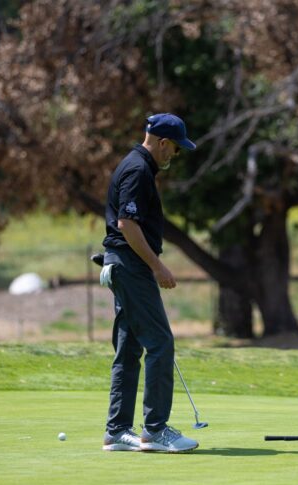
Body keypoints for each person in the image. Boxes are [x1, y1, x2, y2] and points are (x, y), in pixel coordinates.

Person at [99, 113, 199, 453]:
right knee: (160, 343)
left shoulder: (136, 166)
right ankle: (155, 429)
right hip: (132, 267)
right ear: (161, 142)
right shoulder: (139, 169)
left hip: (124, 265)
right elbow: (127, 224)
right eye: (174, 148)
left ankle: (117, 431)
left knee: (129, 349)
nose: (175, 155)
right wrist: (157, 266)